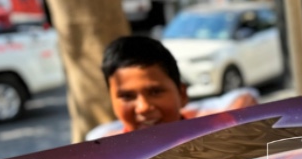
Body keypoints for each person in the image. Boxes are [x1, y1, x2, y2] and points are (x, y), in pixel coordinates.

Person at [90, 35, 258, 140]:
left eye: (155, 92)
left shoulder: (213, 134)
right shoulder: (105, 156)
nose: (143, 107)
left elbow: (245, 97)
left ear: (182, 94)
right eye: (127, 96)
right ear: (112, 101)